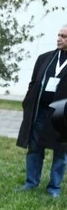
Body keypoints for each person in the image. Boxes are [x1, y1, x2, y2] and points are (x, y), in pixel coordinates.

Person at [17, 25, 67, 198]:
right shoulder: (45, 58)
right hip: (41, 111)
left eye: (64, 36)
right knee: (35, 147)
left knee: (60, 152)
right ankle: (31, 182)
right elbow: (33, 82)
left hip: (62, 115)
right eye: (59, 35)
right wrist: (28, 101)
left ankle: (54, 188)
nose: (59, 38)